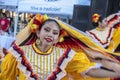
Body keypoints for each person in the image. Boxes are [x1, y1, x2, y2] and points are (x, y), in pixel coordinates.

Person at [0, 14, 120, 80]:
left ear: (58, 38)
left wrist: (116, 74)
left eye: (54, 33)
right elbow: (6, 77)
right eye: (46, 30)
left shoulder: (65, 56)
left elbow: (89, 71)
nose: (50, 34)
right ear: (37, 32)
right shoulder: (18, 54)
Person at [86, 13, 120, 80]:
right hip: (98, 59)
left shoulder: (111, 30)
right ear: (99, 22)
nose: (107, 22)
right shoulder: (90, 34)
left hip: (111, 57)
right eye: (105, 21)